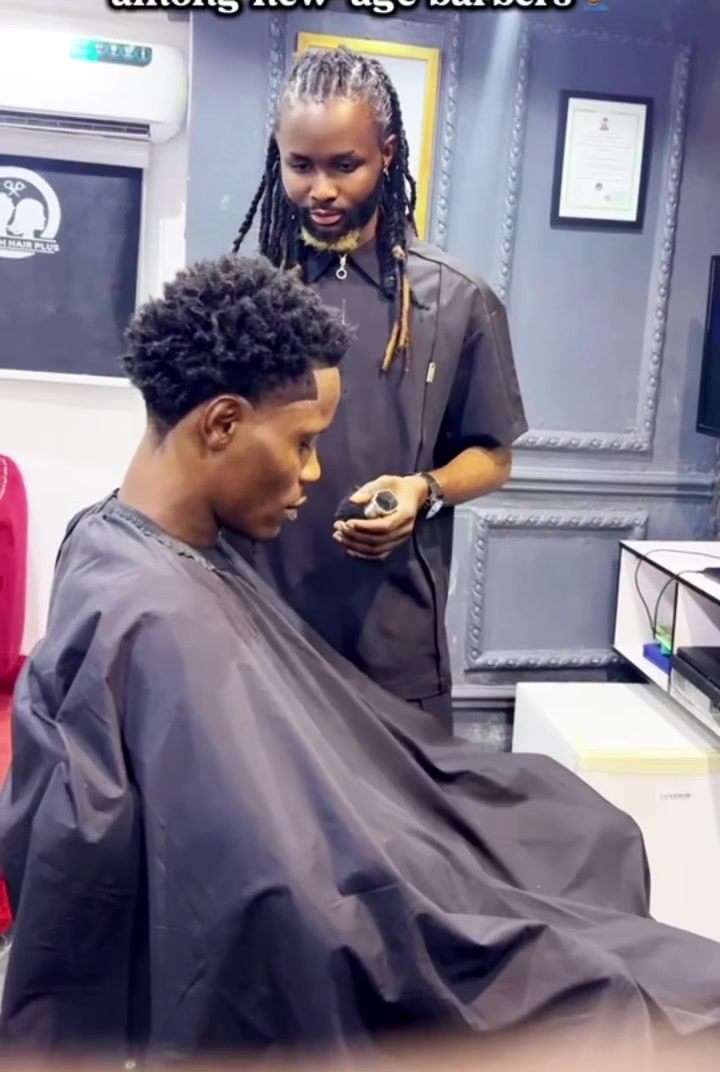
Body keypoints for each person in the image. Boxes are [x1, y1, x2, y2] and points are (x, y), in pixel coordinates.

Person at [3, 254, 720, 1060]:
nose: (315, 472)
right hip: (340, 912)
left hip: (357, 850)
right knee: (606, 971)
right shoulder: (155, 613)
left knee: (573, 830)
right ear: (223, 424)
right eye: (304, 442)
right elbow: (278, 892)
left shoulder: (112, 538)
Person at [232, 45, 527, 733]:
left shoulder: (458, 300)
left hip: (395, 644)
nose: (321, 190)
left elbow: (495, 456)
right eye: (300, 165)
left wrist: (426, 489)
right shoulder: (246, 295)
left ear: (387, 155)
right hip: (261, 627)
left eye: (345, 165)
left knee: (405, 808)